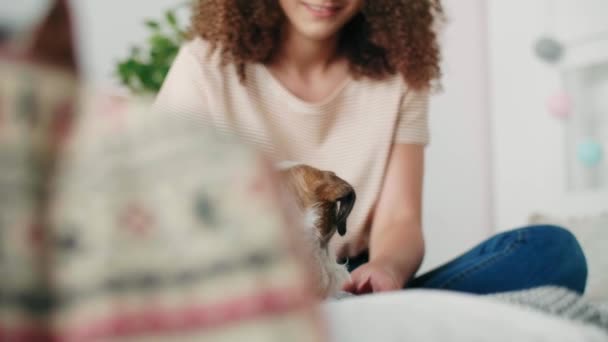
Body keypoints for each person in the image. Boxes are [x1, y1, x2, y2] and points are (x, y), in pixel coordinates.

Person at [154, 0, 588, 295]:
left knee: (551, 251)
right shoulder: (205, 66)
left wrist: (387, 270)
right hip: (248, 294)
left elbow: (400, 218)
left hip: (352, 292)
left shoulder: (400, 73)